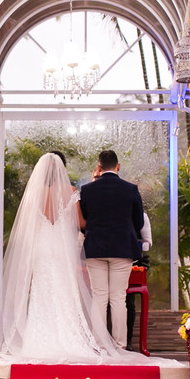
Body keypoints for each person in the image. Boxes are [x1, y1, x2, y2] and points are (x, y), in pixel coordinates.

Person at [0, 153, 124, 360]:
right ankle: (67, 336)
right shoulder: (71, 192)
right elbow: (81, 223)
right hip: (62, 250)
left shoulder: (34, 194)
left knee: (42, 289)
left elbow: (27, 227)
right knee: (65, 290)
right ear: (62, 170)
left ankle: (36, 338)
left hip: (41, 248)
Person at [78, 149, 145, 350]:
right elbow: (139, 221)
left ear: (99, 167)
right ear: (118, 166)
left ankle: (98, 344)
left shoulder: (87, 190)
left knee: (99, 296)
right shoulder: (131, 189)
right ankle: (119, 345)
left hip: (95, 248)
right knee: (118, 297)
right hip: (122, 248)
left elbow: (85, 220)